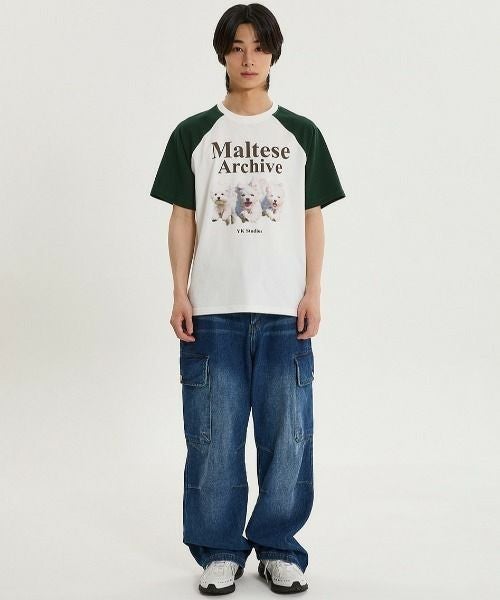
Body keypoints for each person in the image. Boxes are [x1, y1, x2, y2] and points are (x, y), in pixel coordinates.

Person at [150, 3, 346, 595]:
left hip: (285, 310)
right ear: (222, 54)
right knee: (213, 436)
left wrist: (313, 290)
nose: (248, 58)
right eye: (237, 47)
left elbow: (312, 217)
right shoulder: (194, 133)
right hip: (213, 310)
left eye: (259, 47)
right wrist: (179, 290)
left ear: (273, 54)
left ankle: (280, 547)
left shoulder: (300, 134)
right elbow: (182, 216)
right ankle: (219, 550)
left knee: (289, 437)